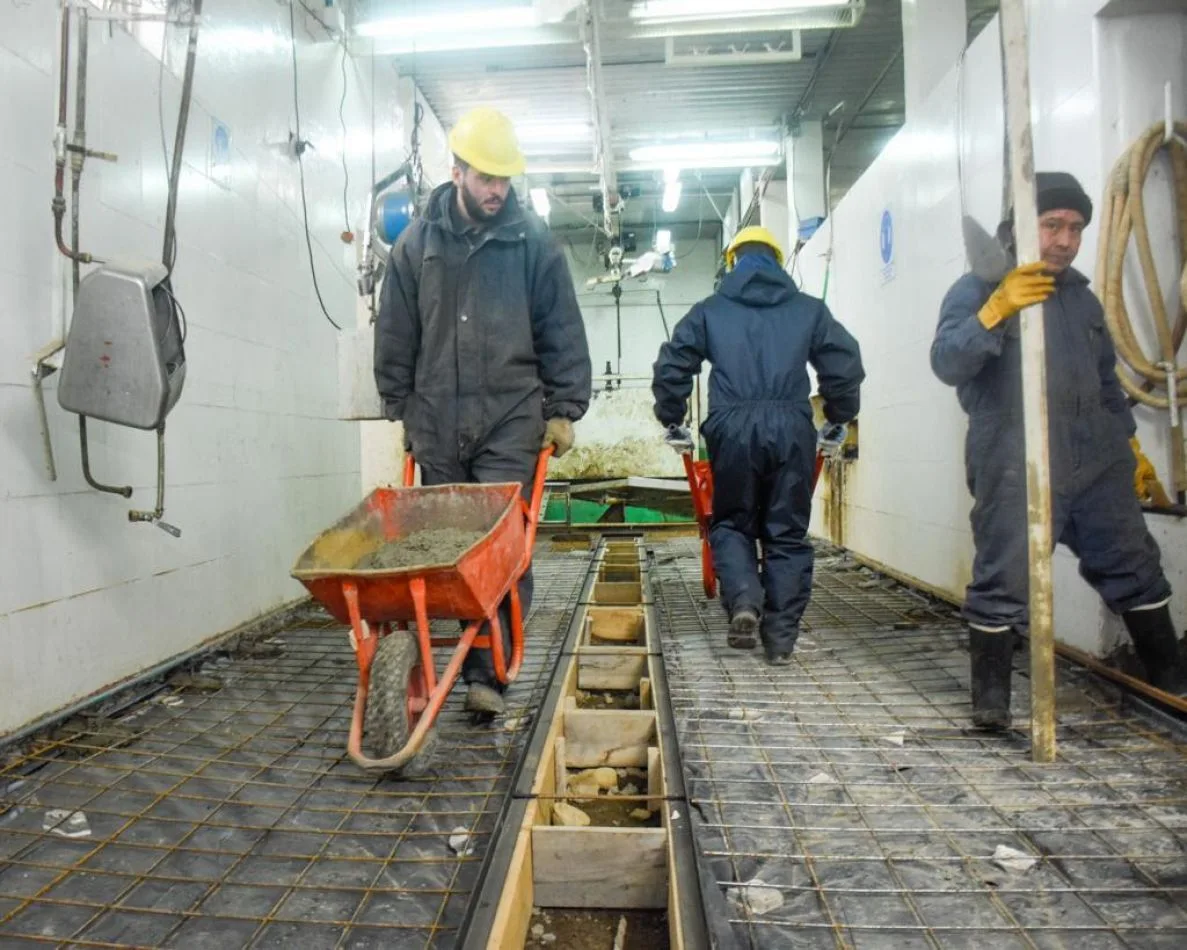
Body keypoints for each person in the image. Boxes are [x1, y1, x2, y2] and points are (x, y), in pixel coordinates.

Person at [931, 171, 1187, 729]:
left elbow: (1103, 382)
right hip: (1012, 456)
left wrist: (1127, 440)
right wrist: (994, 310)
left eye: (1075, 227)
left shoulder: (1083, 301)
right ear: (1022, 227)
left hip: (1096, 461)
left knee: (1134, 564)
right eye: (1053, 225)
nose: (1066, 240)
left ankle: (1171, 685)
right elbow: (947, 362)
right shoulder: (976, 287)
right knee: (1005, 575)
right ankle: (992, 704)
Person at [374, 106, 592, 716]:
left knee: (499, 549)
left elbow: (561, 329)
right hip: (437, 420)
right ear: (458, 171)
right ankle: (436, 656)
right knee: (446, 550)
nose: (497, 190)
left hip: (510, 418)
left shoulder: (534, 242)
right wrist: (401, 408)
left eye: (504, 179)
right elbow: (396, 331)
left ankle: (486, 675)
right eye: (485, 178)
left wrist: (564, 407)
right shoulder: (415, 244)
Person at [652, 226, 864, 665]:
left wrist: (673, 418)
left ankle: (745, 602)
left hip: (731, 429)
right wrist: (838, 416)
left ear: (732, 263)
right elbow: (843, 365)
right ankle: (781, 640)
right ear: (777, 261)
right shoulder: (809, 310)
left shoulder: (711, 310)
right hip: (792, 427)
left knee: (731, 523)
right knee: (786, 531)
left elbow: (673, 363)